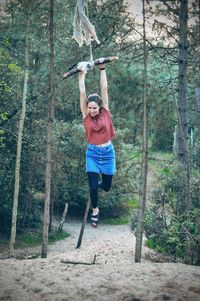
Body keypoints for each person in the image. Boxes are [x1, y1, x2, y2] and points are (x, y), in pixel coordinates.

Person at [78, 59, 116, 228]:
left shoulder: (106, 112)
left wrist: (102, 67)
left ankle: (98, 186)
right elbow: (82, 94)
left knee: (106, 187)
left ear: (100, 107)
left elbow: (105, 89)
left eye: (95, 108)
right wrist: (81, 75)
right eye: (90, 107)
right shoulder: (86, 116)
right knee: (93, 187)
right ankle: (95, 210)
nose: (92, 110)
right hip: (92, 153)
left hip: (108, 153)